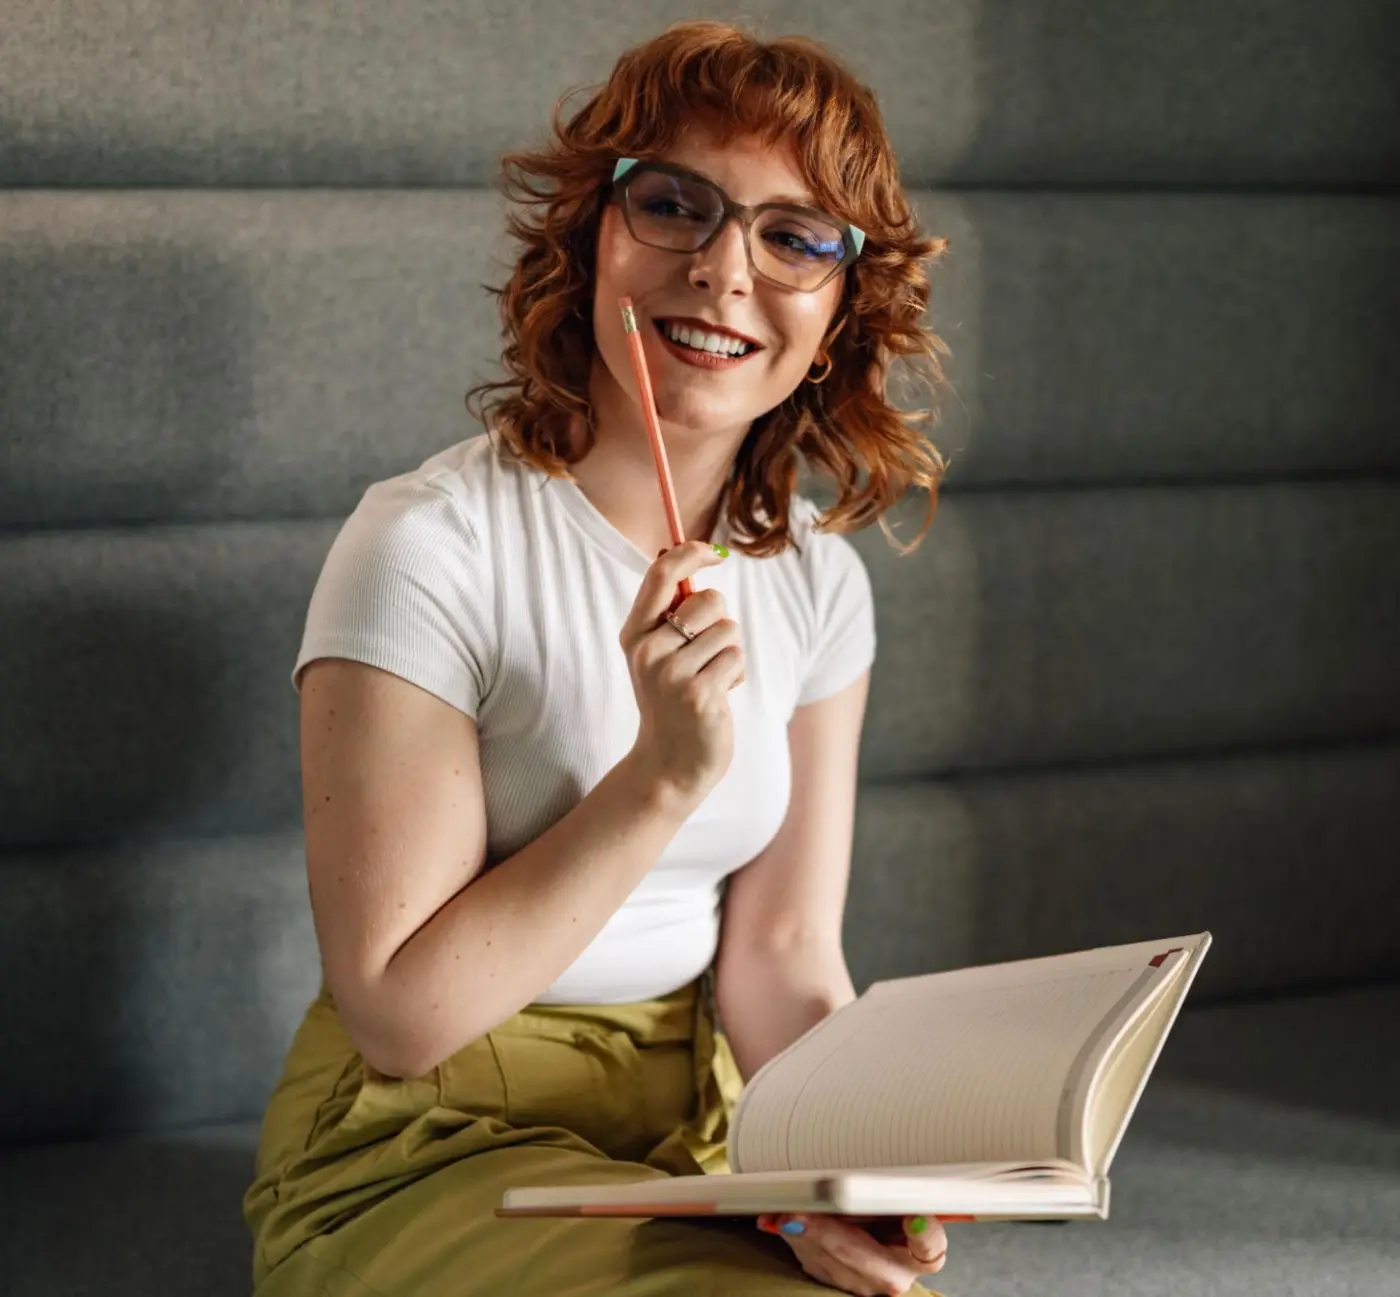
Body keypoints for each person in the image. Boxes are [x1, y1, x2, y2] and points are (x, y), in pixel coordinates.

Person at [242, 18, 953, 1297]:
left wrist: (858, 1163)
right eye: (675, 206)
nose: (725, 271)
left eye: (794, 236)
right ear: (590, 241)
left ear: (843, 306)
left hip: (694, 1130)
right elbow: (399, 1013)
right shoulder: (423, 546)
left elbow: (784, 957)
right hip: (423, 1136)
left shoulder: (818, 580)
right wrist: (659, 779)